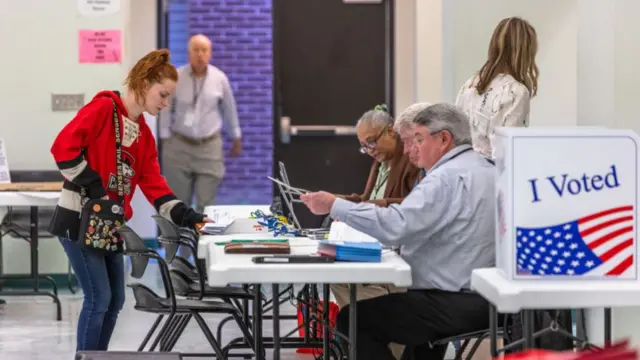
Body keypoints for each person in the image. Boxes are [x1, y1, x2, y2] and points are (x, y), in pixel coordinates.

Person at [301, 103, 496, 360]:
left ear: (444, 139)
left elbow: (396, 226)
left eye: (418, 139)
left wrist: (334, 205)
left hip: (450, 300)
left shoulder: (443, 178)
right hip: (490, 298)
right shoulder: (490, 169)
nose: (411, 150)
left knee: (356, 319)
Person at [47, 49, 210, 352]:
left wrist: (187, 215)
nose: (165, 103)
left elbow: (154, 186)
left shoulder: (143, 135)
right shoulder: (102, 110)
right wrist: (95, 188)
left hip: (108, 225)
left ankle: (98, 357)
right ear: (145, 83)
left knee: (115, 300)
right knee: (99, 298)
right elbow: (62, 149)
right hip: (79, 219)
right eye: (163, 94)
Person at [329, 104, 421, 359]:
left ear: (391, 132)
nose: (369, 151)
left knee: (347, 282)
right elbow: (363, 200)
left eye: (372, 142)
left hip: (396, 251)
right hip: (374, 242)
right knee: (334, 275)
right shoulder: (380, 163)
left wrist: (359, 207)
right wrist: (331, 201)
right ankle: (373, 342)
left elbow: (411, 206)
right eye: (364, 146)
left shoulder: (410, 162)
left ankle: (384, 342)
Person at [160, 34, 242, 214]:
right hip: (179, 145)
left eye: (204, 50)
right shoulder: (176, 77)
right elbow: (165, 107)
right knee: (178, 204)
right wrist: (164, 138)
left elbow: (229, 109)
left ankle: (202, 241)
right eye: (195, 50)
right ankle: (179, 241)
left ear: (210, 54)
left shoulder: (219, 78)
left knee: (207, 204)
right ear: (188, 53)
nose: (200, 55)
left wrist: (236, 136)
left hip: (209, 146)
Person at [455, 16, 538, 159]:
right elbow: (506, 150)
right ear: (525, 52)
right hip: (492, 174)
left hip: (462, 166)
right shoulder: (516, 91)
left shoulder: (470, 84)